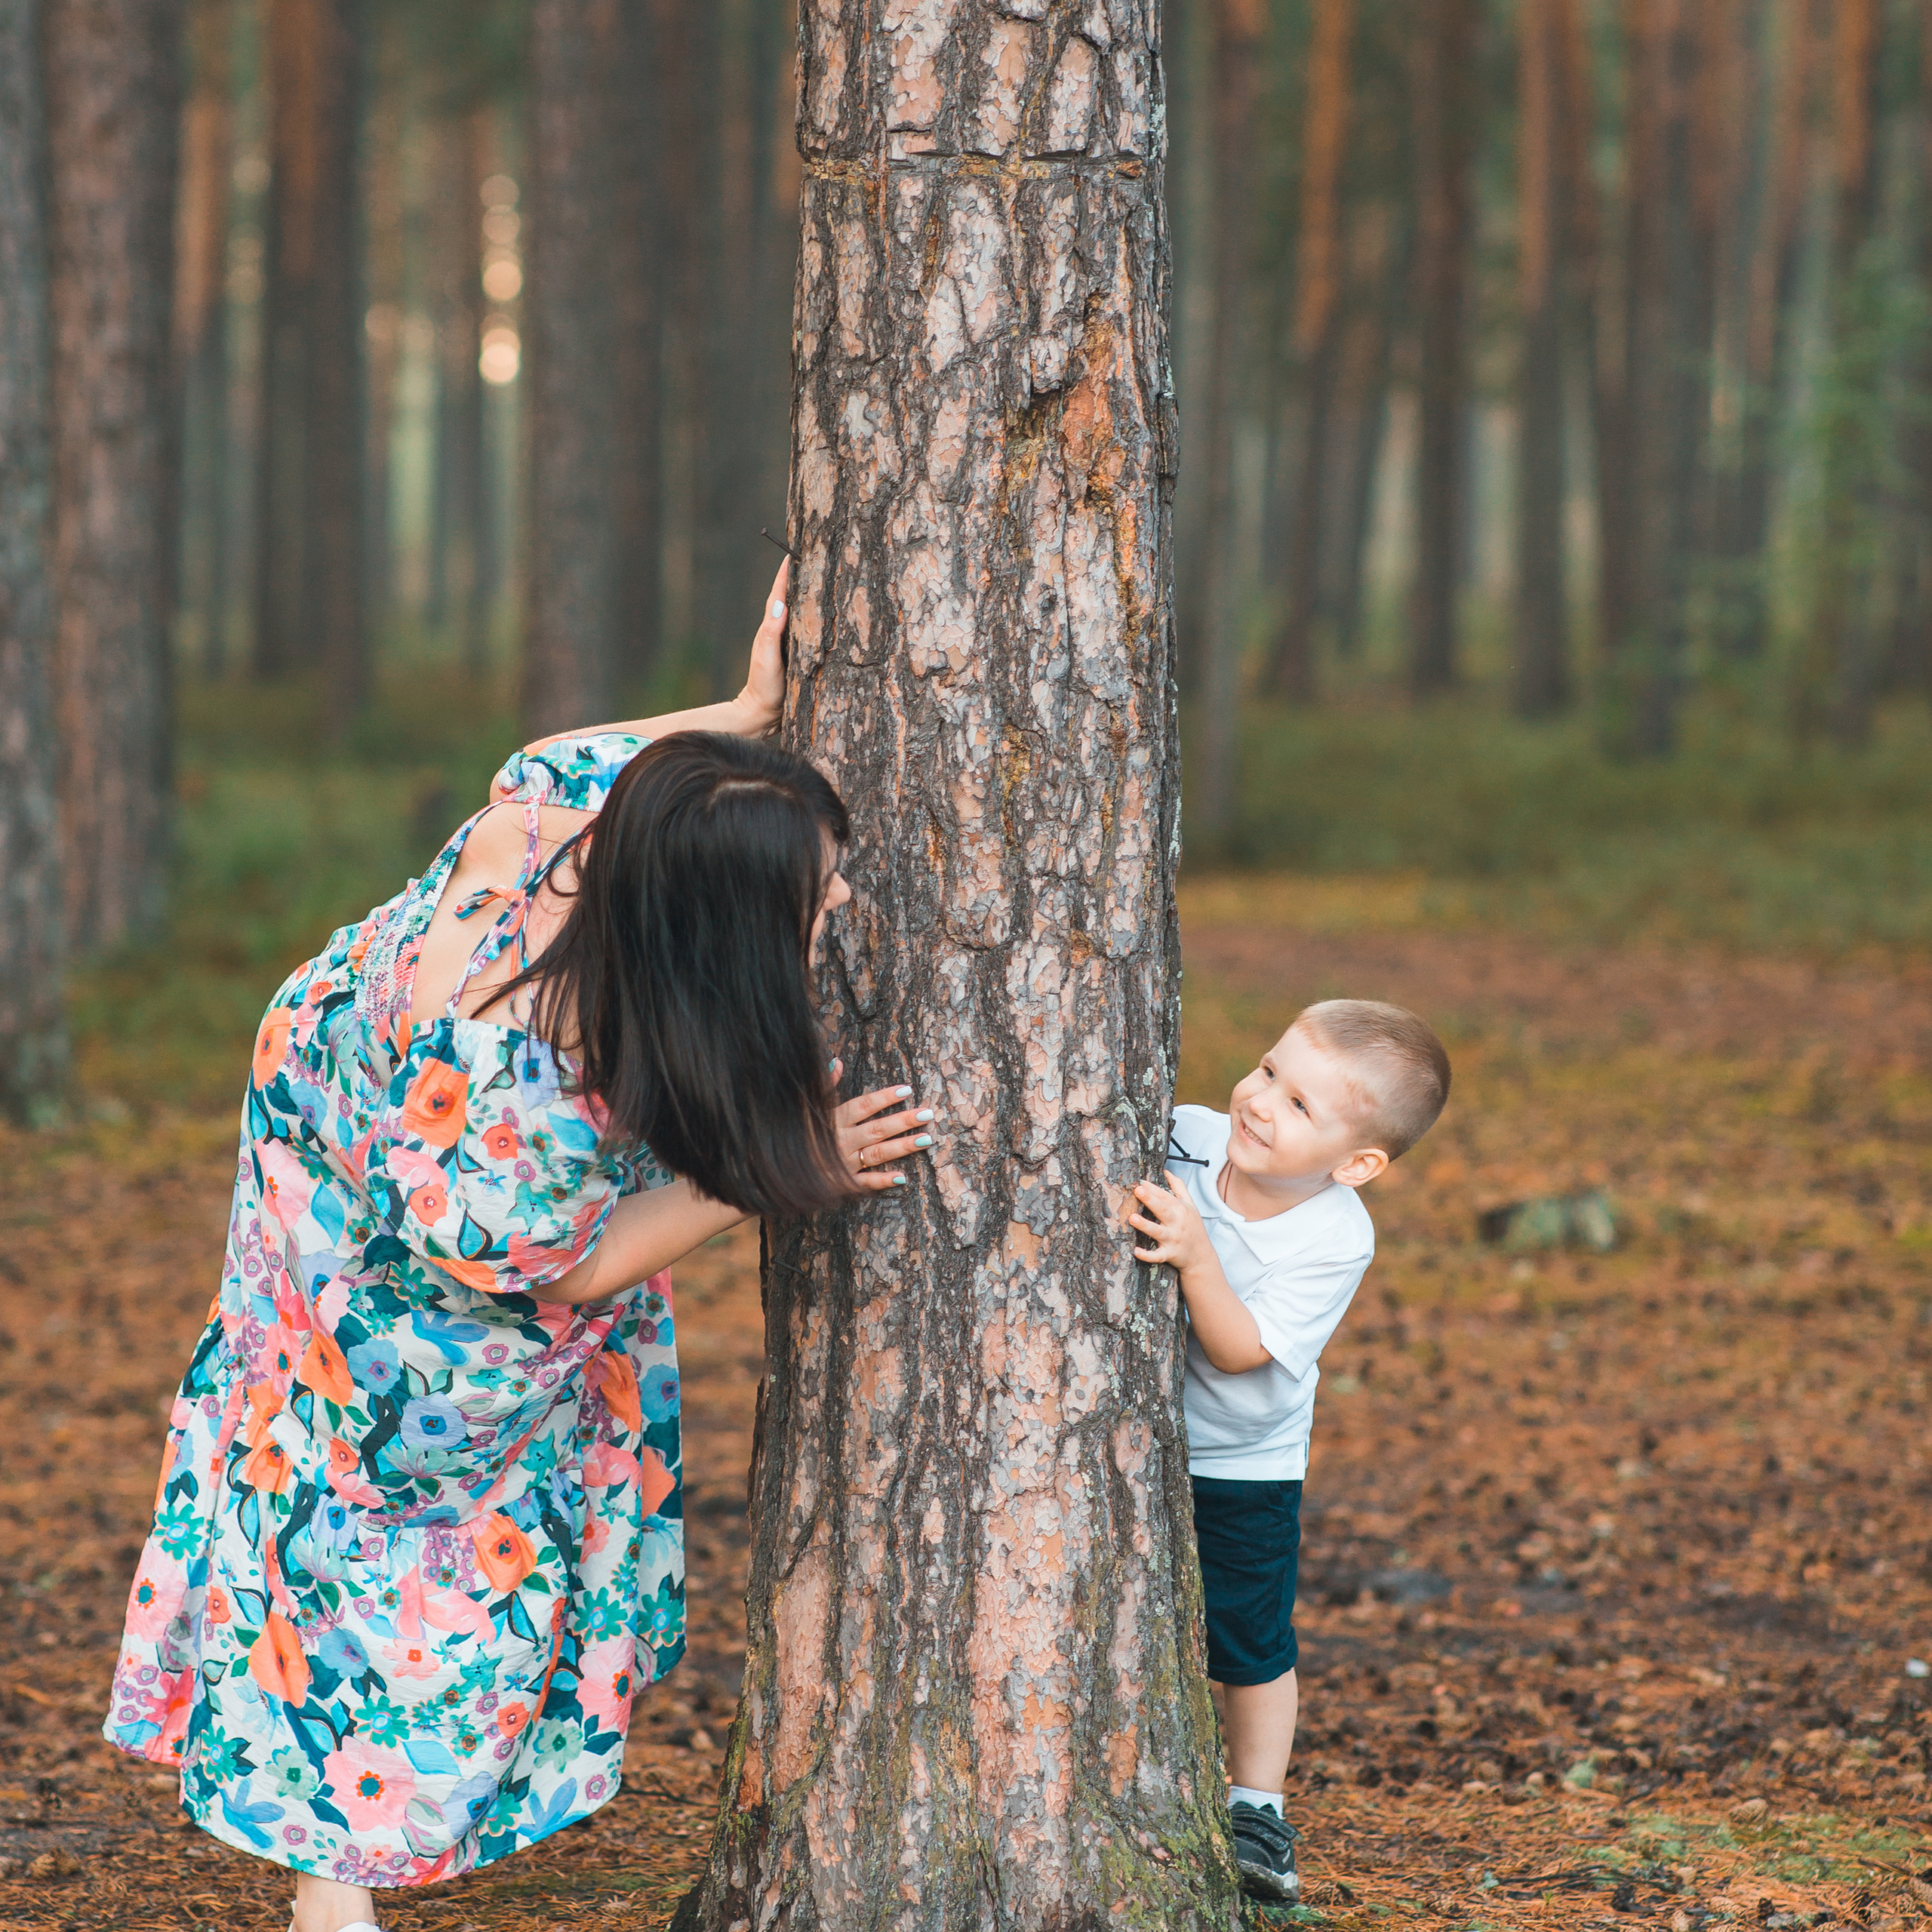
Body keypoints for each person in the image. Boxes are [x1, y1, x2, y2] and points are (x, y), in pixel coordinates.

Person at [103, 566, 937, 1932]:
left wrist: (751, 704)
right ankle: (339, 1882)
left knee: (311, 1496)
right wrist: (791, 1170)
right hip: (411, 1301)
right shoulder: (529, 1073)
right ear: (718, 938)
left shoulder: (562, 802)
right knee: (382, 1563)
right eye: (816, 902)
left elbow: (625, 758)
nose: (836, 914)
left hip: (323, 1177)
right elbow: (571, 1267)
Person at [1127, 999, 1451, 1902]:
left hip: (1242, 1457)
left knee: (1249, 1635)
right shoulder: (1186, 1137)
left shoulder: (1332, 1234)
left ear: (1356, 1164)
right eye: (1269, 1070)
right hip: (1133, 1439)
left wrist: (1196, 1257)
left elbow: (1238, 1351)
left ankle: (1256, 1807)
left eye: (1301, 1105)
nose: (1260, 1101)